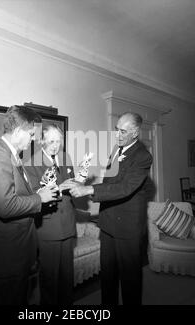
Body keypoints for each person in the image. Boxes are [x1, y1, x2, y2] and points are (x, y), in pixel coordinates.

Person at [69, 112, 153, 305]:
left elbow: (125, 187)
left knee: (130, 280)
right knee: (108, 276)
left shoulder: (143, 157)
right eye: (117, 130)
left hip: (128, 228)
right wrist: (84, 175)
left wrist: (88, 189)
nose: (118, 135)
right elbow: (110, 181)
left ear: (135, 132)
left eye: (123, 131)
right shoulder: (116, 149)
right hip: (108, 223)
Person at [0, 106, 58, 305]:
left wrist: (37, 193)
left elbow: (17, 194)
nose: (33, 139)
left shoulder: (12, 155)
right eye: (31, 134)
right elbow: (5, 206)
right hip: (8, 257)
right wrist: (40, 199)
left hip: (19, 252)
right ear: (17, 132)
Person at [25, 124, 76, 305]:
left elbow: (71, 184)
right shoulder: (31, 164)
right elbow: (34, 196)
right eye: (51, 141)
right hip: (48, 227)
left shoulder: (65, 158)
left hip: (68, 224)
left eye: (59, 141)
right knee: (49, 280)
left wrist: (78, 184)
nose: (56, 145)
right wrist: (58, 190)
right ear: (41, 142)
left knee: (67, 278)